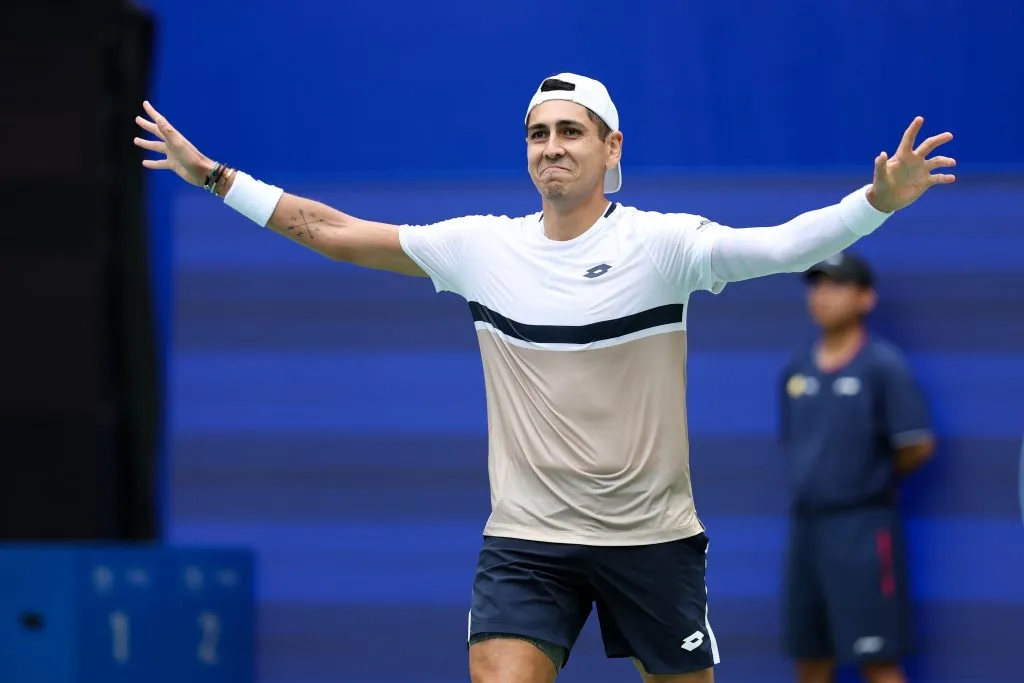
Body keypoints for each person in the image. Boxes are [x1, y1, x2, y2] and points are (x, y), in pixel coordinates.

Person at [134, 72, 955, 683]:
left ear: (611, 148)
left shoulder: (666, 245)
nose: (552, 146)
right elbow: (334, 231)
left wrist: (874, 203)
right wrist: (215, 177)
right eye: (538, 133)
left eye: (571, 130)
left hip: (653, 539)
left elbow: (786, 246)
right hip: (527, 540)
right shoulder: (480, 248)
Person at [778, 251, 936, 683]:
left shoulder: (884, 367)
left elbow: (916, 445)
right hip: (807, 528)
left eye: (837, 285)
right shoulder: (796, 370)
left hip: (864, 530)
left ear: (866, 298)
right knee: (810, 659)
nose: (823, 296)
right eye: (817, 286)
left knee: (878, 660)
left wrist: (866, 481)